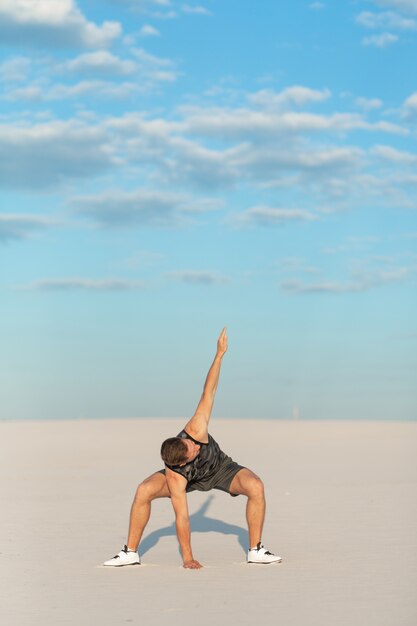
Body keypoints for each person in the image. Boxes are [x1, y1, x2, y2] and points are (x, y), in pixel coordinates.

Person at [103, 328, 281, 569]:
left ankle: (255, 550)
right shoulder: (175, 476)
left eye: (189, 443)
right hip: (190, 480)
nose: (195, 446)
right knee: (143, 490)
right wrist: (188, 558)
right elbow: (182, 517)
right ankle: (130, 553)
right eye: (192, 450)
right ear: (181, 463)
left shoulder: (195, 429)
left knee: (255, 485)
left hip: (221, 469)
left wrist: (219, 355)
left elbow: (209, 391)